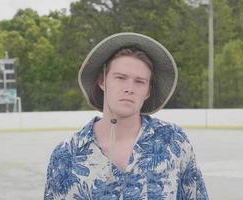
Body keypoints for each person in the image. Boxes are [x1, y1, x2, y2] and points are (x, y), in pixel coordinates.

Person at [44, 32, 209, 199]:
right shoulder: (67, 154)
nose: (129, 88)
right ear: (102, 81)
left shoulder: (173, 141)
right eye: (121, 78)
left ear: (148, 91)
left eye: (139, 81)